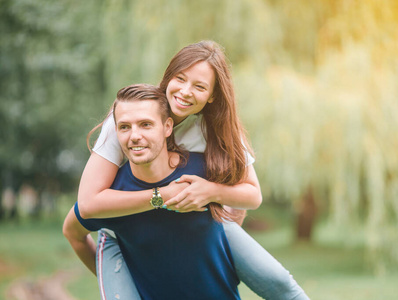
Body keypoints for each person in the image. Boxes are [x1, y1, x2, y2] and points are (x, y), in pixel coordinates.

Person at [71, 40, 309, 300]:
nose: (185, 91)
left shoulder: (218, 129)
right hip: (125, 227)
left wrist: (211, 191)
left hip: (202, 215)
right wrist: (162, 196)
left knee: (279, 282)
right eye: (180, 78)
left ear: (212, 95)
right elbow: (87, 203)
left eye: (199, 86)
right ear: (168, 76)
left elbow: (252, 195)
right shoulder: (133, 118)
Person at [64, 84, 241, 299]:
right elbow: (72, 231)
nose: (134, 136)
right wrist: (117, 279)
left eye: (145, 124)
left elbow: (240, 193)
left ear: (167, 127)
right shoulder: (113, 194)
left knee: (279, 282)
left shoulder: (200, 169)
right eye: (124, 127)